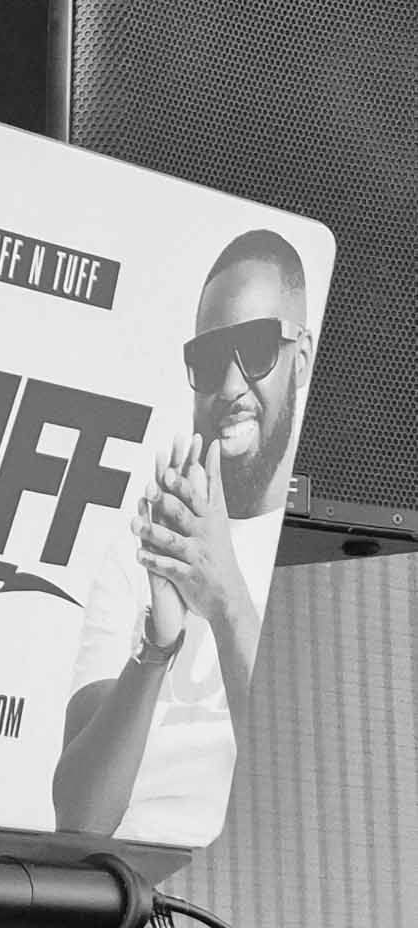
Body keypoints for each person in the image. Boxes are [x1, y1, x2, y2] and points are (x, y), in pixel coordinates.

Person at [51, 229, 312, 845]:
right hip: (133, 892)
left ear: (300, 358)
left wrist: (223, 599)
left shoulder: (320, 560)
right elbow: (80, 820)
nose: (231, 385)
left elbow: (308, 788)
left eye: (257, 348)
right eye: (210, 358)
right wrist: (157, 646)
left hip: (256, 884)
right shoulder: (142, 550)